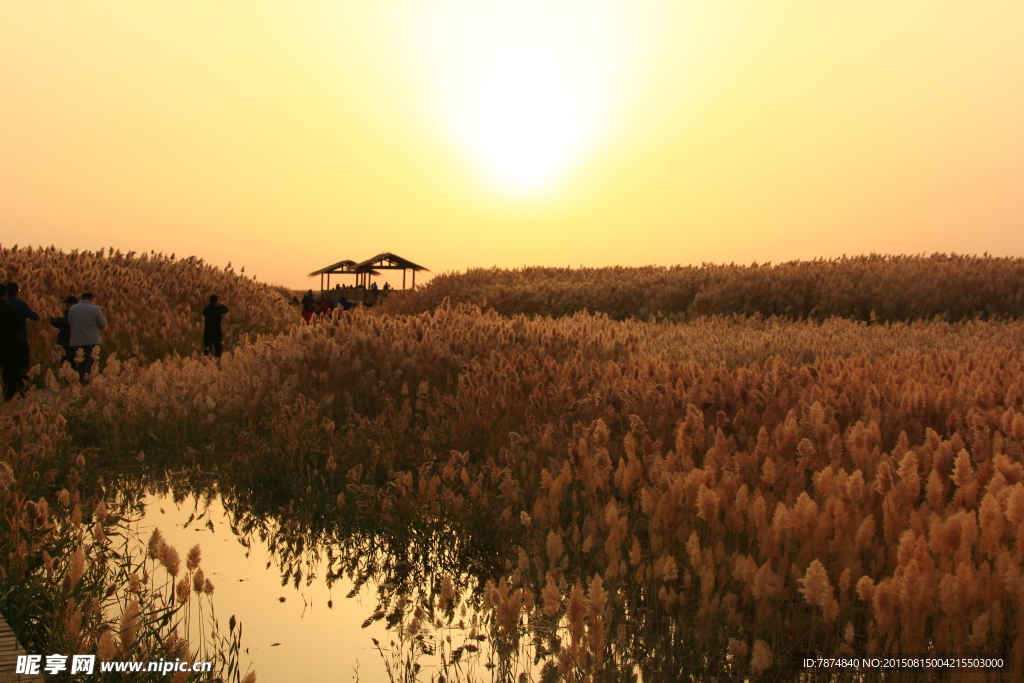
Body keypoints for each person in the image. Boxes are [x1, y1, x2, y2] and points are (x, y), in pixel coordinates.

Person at [67, 292, 106, 385]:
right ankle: (87, 380)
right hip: (91, 339)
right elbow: (102, 323)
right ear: (92, 299)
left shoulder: (72, 308)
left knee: (80, 361)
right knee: (90, 361)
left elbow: (70, 322)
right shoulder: (95, 308)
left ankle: (81, 380)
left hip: (76, 340)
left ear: (81, 298)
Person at [5, 283, 39, 388]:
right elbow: (34, 316)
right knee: (23, 364)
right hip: (20, 339)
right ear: (17, 292)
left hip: (5, 340)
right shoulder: (21, 304)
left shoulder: (4, 304)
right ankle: (23, 387)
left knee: (7, 366)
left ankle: (8, 388)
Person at [0, 286, 27, 401]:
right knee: (10, 370)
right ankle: (9, 395)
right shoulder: (10, 309)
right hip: (9, 344)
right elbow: (19, 325)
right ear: (5, 294)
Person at [50, 295, 79, 368]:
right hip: (65, 341)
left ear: (73, 304)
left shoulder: (76, 313)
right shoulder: (69, 313)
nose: (66, 306)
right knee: (65, 362)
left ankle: (71, 378)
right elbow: (64, 326)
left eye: (68, 304)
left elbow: (70, 323)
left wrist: (58, 320)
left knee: (69, 362)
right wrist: (54, 322)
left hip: (69, 342)